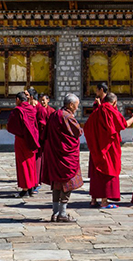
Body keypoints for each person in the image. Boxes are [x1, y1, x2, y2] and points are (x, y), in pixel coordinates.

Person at [43, 93, 84, 222]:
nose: (77, 108)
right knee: (67, 183)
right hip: (66, 156)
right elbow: (78, 132)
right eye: (76, 106)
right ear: (71, 105)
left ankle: (55, 213)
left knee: (57, 183)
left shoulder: (55, 114)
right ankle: (63, 213)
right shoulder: (67, 117)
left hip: (55, 154)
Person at [85, 92, 128, 209]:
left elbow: (87, 127)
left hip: (96, 148)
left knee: (96, 173)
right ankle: (104, 201)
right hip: (108, 149)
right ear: (114, 102)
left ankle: (94, 200)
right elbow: (123, 124)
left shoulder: (96, 112)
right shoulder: (111, 111)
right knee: (107, 170)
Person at [6, 91, 40, 198]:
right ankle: (31, 187)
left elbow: (11, 126)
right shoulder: (32, 109)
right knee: (31, 163)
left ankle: (25, 189)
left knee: (23, 163)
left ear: (17, 100)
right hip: (32, 139)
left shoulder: (18, 110)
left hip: (22, 140)